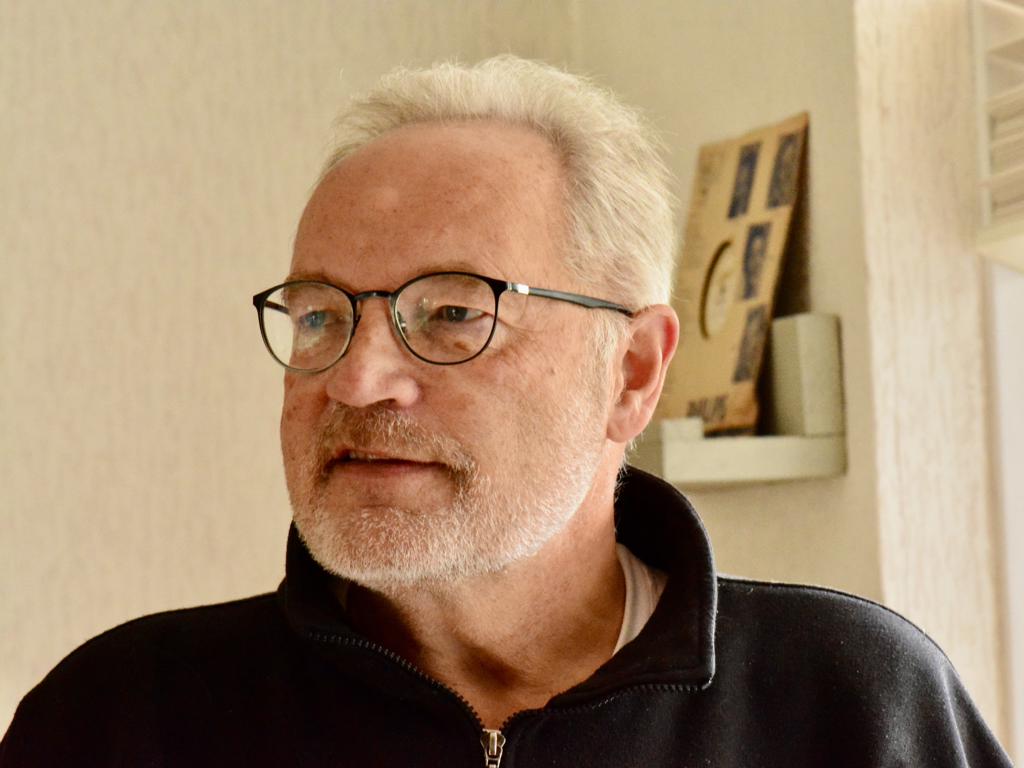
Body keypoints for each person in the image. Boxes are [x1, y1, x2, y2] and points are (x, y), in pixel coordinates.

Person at [1, 56, 1011, 767]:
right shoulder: (118, 719)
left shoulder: (855, 705)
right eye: (319, 317)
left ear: (631, 372)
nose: (355, 380)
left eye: (451, 313)